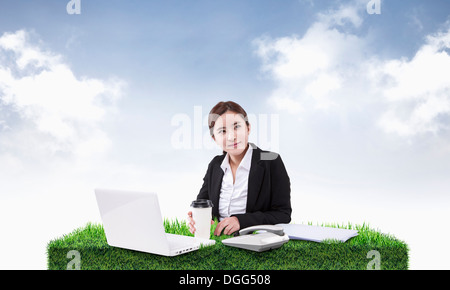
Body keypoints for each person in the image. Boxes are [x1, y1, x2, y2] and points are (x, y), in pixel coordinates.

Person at [187, 101, 292, 236]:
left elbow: (283, 214)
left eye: (236, 127)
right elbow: (203, 203)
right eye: (222, 131)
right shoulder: (215, 165)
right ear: (215, 138)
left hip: (254, 241)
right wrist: (196, 217)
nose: (232, 137)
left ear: (248, 128)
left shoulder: (271, 160)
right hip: (221, 240)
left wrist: (242, 221)